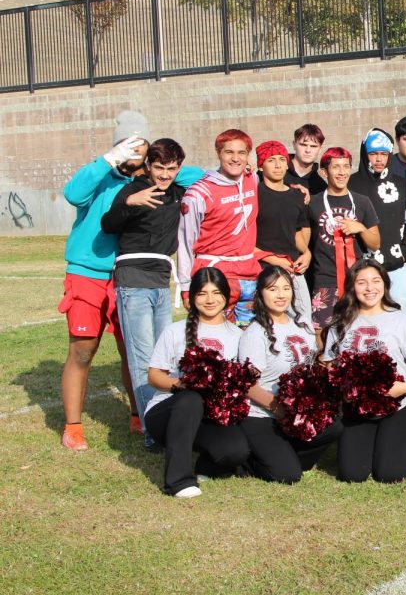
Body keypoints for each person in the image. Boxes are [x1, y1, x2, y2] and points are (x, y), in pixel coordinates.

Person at [58, 111, 161, 450]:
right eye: (128, 146)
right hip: (86, 273)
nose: (135, 154)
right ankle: (73, 425)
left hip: (127, 274)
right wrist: (108, 160)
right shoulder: (99, 173)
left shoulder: (148, 178)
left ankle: (138, 413)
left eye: (141, 147)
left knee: (132, 349)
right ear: (118, 146)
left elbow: (186, 173)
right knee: (83, 350)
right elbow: (73, 194)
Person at [101, 137, 202, 445]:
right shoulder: (132, 190)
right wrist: (129, 204)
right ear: (148, 165)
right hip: (133, 279)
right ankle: (151, 433)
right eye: (159, 167)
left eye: (171, 169)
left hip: (161, 280)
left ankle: (164, 422)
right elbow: (108, 223)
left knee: (165, 357)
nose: (164, 175)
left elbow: (204, 176)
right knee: (142, 358)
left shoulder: (178, 193)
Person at [321, 259, 406, 483]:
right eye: (362, 282)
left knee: (390, 474)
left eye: (376, 281)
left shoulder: (403, 320)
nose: (370, 288)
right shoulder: (341, 322)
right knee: (352, 474)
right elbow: (330, 365)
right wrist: (343, 389)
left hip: (397, 404)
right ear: (352, 287)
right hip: (357, 408)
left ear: (385, 284)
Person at [144, 268, 249, 498]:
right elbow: (154, 376)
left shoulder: (238, 336)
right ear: (192, 297)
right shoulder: (175, 331)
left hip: (209, 416)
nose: (210, 300)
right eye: (202, 293)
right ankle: (178, 481)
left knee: (236, 451)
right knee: (191, 399)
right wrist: (182, 384)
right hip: (168, 413)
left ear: (226, 296)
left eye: (216, 293)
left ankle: (205, 468)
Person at [238, 265, 342, 483]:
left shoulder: (301, 325)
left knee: (334, 428)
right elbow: (247, 385)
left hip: (294, 412)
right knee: (288, 475)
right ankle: (248, 461)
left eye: (286, 288)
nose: (281, 295)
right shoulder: (255, 333)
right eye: (273, 289)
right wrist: (281, 409)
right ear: (260, 293)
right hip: (263, 415)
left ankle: (284, 454)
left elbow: (312, 366)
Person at [177, 129, 261, 326]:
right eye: (229, 152)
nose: (235, 158)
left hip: (249, 274)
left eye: (241, 153)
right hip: (215, 275)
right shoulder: (198, 192)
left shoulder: (252, 179)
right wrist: (185, 286)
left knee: (252, 341)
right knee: (217, 344)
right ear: (218, 153)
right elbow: (185, 241)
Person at [308, 147, 381, 329]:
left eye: (346, 167)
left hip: (357, 281)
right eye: (336, 167)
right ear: (324, 171)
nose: (342, 172)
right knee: (322, 332)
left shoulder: (362, 201)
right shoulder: (313, 203)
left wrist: (361, 228)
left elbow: (375, 243)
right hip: (325, 280)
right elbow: (304, 240)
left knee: (360, 330)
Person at [348, 127, 406, 308]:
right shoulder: (350, 184)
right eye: (373, 154)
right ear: (365, 154)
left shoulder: (403, 183)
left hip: (397, 266)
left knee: (401, 320)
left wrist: (405, 252)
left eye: (384, 154)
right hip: (363, 270)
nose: (379, 159)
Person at [254, 140, 313, 327]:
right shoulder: (254, 194)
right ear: (261, 165)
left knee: (304, 320)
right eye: (271, 160)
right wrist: (273, 260)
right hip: (264, 268)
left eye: (282, 159)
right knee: (269, 323)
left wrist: (306, 253)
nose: (278, 165)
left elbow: (294, 231)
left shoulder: (296, 195)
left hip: (292, 269)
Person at [285, 123, 327, 195]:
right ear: (294, 145)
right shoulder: (276, 172)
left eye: (313, 146)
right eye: (303, 145)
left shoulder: (321, 187)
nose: (308, 150)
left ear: (320, 149)